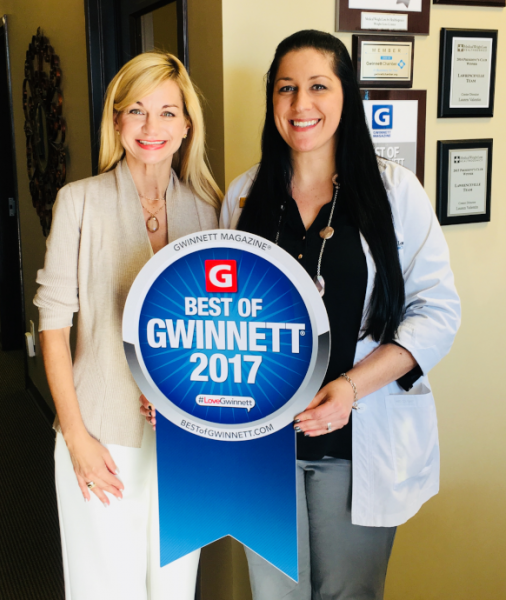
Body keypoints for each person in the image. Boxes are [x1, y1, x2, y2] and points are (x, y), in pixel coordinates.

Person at [218, 30, 461, 600]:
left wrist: (350, 389)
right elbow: (219, 319)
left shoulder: (394, 192)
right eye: (286, 88)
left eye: (318, 86)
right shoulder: (244, 196)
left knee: (349, 594)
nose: (300, 104)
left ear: (346, 96)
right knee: (273, 595)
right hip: (262, 445)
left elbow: (437, 313)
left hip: (356, 444)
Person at [34, 51, 221, 600]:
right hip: (101, 431)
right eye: (136, 110)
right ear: (116, 121)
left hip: (187, 436)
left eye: (167, 112)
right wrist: (76, 438)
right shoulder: (78, 202)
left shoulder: (208, 210)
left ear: (186, 126)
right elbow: (52, 327)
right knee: (106, 589)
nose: (150, 126)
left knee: (175, 588)